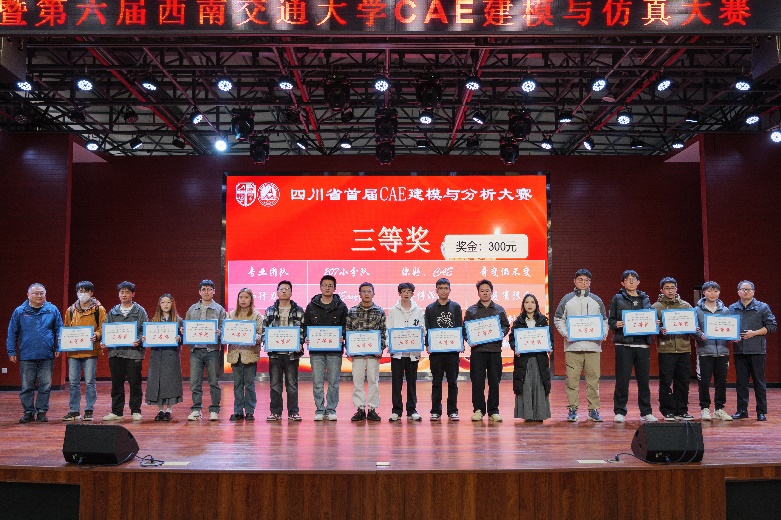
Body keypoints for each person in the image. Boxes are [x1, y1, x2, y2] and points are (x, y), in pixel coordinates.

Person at [553, 269, 608, 422]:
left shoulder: (596, 300)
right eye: (580, 280)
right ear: (575, 281)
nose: (583, 283)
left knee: (593, 380)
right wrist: (566, 333)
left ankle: (593, 409)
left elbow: (604, 320)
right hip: (573, 347)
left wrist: (604, 332)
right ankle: (572, 409)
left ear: (590, 282)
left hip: (593, 347)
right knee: (572, 380)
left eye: (586, 280)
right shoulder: (567, 299)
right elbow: (558, 318)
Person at [6, 283, 62, 423]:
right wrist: (11, 351)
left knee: (45, 386)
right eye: (35, 293)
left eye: (41, 293)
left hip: (46, 354)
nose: (39, 296)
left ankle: (42, 412)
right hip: (27, 355)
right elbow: (12, 332)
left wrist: (58, 347)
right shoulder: (19, 311)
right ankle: (28, 412)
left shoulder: (52, 310)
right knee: (27, 386)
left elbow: (59, 330)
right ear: (28, 295)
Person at [608, 270, 657, 423]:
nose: (631, 281)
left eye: (634, 279)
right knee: (622, 380)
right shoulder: (617, 299)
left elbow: (649, 317)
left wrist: (654, 323)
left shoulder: (645, 299)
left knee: (644, 381)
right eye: (627, 279)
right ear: (622, 283)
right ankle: (620, 411)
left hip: (642, 344)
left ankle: (646, 412)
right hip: (624, 344)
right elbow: (610, 320)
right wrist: (615, 324)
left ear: (638, 282)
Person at [729, 281, 777, 421]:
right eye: (743, 289)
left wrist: (754, 333)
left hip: (757, 350)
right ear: (738, 292)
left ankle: (761, 411)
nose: (745, 291)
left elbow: (772, 326)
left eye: (748, 289)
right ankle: (742, 410)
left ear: (753, 291)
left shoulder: (762, 307)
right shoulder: (732, 308)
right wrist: (731, 337)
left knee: (759, 382)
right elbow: (728, 326)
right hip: (739, 350)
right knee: (741, 383)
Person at [464, 279, 509, 422]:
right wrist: (469, 339)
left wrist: (501, 333)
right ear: (478, 293)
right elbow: (465, 330)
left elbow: (506, 326)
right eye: (482, 291)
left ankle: (493, 411)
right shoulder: (471, 311)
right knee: (477, 381)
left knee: (494, 382)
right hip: (478, 351)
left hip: (494, 351)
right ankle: (478, 410)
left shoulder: (499, 309)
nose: (485, 293)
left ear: (491, 292)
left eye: (487, 290)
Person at [304, 275, 348, 422]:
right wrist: (306, 337)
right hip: (316, 351)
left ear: (335, 288)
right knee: (317, 382)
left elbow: (346, 326)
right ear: (320, 287)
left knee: (333, 382)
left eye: (330, 285)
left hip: (334, 351)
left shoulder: (341, 306)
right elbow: (305, 326)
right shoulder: (311, 306)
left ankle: (331, 409)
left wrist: (343, 336)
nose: (327, 288)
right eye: (325, 285)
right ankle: (319, 409)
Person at [102, 281, 148, 422]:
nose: (124, 294)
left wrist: (139, 340)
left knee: (135, 383)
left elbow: (145, 330)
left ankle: (136, 411)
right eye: (121, 292)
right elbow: (106, 329)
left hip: (134, 353)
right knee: (116, 383)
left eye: (127, 292)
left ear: (133, 294)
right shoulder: (113, 312)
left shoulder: (140, 311)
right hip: (115, 353)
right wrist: (104, 341)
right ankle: (117, 411)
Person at [62, 281, 106, 422]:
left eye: (85, 291)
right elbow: (66, 327)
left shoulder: (99, 309)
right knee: (73, 383)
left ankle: (89, 410)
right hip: (73, 352)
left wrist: (97, 335)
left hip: (90, 351)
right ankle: (74, 411)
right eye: (80, 291)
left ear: (91, 293)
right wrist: (63, 338)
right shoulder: (70, 310)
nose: (82, 294)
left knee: (90, 382)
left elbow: (103, 327)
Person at [262, 280, 305, 422]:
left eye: (287, 289)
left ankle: (293, 412)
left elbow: (303, 330)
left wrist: (300, 342)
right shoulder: (269, 310)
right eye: (281, 289)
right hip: (275, 354)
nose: (284, 291)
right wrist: (267, 342)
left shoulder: (298, 310)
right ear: (277, 292)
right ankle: (275, 412)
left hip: (292, 355)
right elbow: (264, 330)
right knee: (275, 384)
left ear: (291, 292)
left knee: (292, 385)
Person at [652, 277, 694, 422]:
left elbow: (693, 324)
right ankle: (667, 411)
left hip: (684, 348)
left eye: (672, 288)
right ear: (661, 290)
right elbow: (652, 327)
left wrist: (695, 328)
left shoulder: (686, 306)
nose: (670, 291)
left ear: (676, 289)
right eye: (667, 288)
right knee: (665, 381)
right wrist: (659, 330)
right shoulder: (656, 307)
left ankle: (682, 410)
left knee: (683, 381)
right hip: (666, 349)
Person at [185, 279, 227, 421]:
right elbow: (187, 325)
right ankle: (196, 409)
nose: (206, 292)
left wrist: (220, 332)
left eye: (209, 289)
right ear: (199, 292)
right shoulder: (192, 309)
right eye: (204, 289)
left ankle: (214, 409)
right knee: (195, 382)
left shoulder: (219, 309)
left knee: (214, 381)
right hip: (195, 351)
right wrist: (184, 331)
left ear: (214, 291)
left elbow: (224, 327)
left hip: (212, 351)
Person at [347, 282, 387, 422]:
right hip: (357, 354)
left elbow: (383, 332)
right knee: (357, 381)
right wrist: (349, 348)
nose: (366, 294)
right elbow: (348, 331)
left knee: (373, 381)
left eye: (369, 291)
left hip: (373, 354)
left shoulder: (380, 311)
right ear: (359, 294)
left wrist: (380, 348)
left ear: (373, 294)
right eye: (363, 291)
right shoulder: (352, 311)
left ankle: (372, 409)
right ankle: (360, 408)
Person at [693, 281, 733, 421]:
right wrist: (699, 335)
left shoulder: (725, 310)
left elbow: (730, 327)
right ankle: (705, 408)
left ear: (719, 293)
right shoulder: (696, 310)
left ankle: (719, 409)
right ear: (704, 292)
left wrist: (733, 336)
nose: (713, 294)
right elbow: (693, 329)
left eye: (716, 291)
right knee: (704, 382)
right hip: (705, 351)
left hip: (722, 351)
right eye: (709, 291)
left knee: (721, 382)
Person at [386, 282, 425, 422]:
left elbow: (423, 330)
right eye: (403, 291)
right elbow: (388, 330)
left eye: (409, 291)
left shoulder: (419, 311)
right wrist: (389, 344)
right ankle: (396, 411)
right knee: (396, 383)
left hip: (412, 354)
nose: (406, 293)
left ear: (412, 293)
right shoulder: (393, 311)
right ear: (399, 293)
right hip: (397, 354)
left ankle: (412, 410)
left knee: (412, 383)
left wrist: (421, 332)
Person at [425, 277, 463, 421]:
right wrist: (427, 344)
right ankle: (435, 411)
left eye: (446, 288)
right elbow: (427, 328)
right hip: (436, 352)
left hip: (452, 352)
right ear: (436, 290)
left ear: (450, 290)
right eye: (440, 288)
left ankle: (453, 411)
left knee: (452, 382)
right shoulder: (430, 308)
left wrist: (460, 343)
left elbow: (459, 326)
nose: (443, 291)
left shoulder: (456, 307)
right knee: (436, 382)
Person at [509, 293, 551, 422]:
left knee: (539, 385)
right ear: (523, 305)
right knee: (525, 385)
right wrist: (515, 348)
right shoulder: (518, 322)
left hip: (539, 359)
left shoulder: (543, 321)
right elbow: (512, 340)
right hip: (524, 360)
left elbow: (550, 338)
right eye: (527, 302)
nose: (530, 305)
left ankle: (540, 414)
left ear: (536, 305)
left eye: (532, 302)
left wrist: (550, 346)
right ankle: (527, 414)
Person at [144, 294, 183, 422]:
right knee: (157, 382)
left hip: (171, 355)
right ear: (159, 305)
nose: (165, 305)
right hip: (156, 356)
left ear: (172, 304)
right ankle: (160, 410)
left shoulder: (178, 321)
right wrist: (144, 338)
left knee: (170, 383)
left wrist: (180, 338)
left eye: (168, 302)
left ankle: (169, 411)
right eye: (163, 302)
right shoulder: (153, 321)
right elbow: (147, 337)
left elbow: (185, 339)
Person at [226, 288, 263, 422]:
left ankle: (249, 411)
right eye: (241, 297)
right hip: (235, 355)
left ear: (251, 299)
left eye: (246, 297)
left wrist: (250, 336)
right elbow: (226, 333)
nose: (243, 300)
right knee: (237, 384)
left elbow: (261, 335)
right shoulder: (231, 315)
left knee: (249, 385)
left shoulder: (257, 315)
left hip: (250, 355)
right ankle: (237, 411)